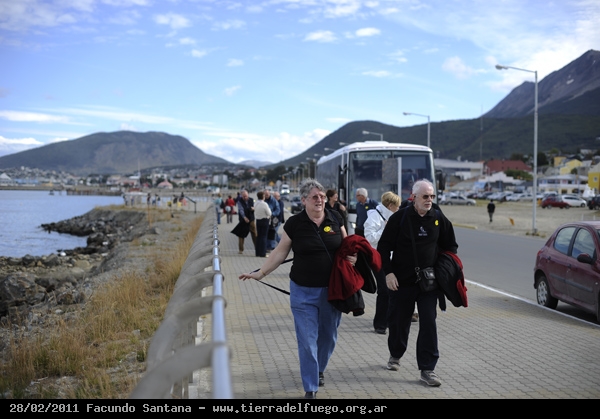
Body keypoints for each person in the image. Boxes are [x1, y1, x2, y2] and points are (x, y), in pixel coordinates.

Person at [239, 178, 356, 399]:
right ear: (304, 200)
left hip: (332, 290)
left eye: (322, 196)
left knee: (328, 336)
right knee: (307, 340)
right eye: (315, 197)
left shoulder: (336, 218)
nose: (320, 200)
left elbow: (349, 245)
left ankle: (319, 368)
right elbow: (280, 252)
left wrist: (354, 256)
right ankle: (310, 387)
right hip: (302, 292)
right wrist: (260, 273)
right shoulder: (295, 223)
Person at [377, 179, 458, 387]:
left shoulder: (438, 218)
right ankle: (395, 353)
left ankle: (427, 369)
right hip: (401, 281)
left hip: (428, 284)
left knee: (429, 322)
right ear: (414, 197)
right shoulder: (400, 218)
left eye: (432, 196)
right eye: (425, 196)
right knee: (399, 322)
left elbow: (451, 246)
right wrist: (389, 273)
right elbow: (383, 247)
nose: (429, 200)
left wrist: (443, 270)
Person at [363, 191, 401, 335]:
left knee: (393, 289)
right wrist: (385, 229)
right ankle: (380, 324)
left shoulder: (393, 217)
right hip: (377, 258)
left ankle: (391, 320)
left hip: (391, 258)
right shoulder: (374, 216)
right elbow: (369, 238)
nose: (398, 209)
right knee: (384, 290)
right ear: (390, 206)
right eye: (397, 206)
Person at [231, 190, 257, 254]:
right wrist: (244, 217)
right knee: (241, 234)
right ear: (241, 196)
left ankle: (257, 248)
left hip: (251, 219)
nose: (245, 197)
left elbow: (256, 206)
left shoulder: (252, 200)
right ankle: (241, 249)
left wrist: (254, 208)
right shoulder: (240, 201)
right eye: (244, 196)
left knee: (254, 234)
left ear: (248, 195)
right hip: (243, 220)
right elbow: (241, 210)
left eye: (246, 196)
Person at [253, 191, 272, 257]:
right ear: (263, 197)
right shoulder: (264, 204)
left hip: (258, 220)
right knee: (264, 237)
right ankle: (263, 253)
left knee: (258, 237)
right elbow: (269, 213)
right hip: (264, 220)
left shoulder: (255, 203)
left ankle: (257, 252)